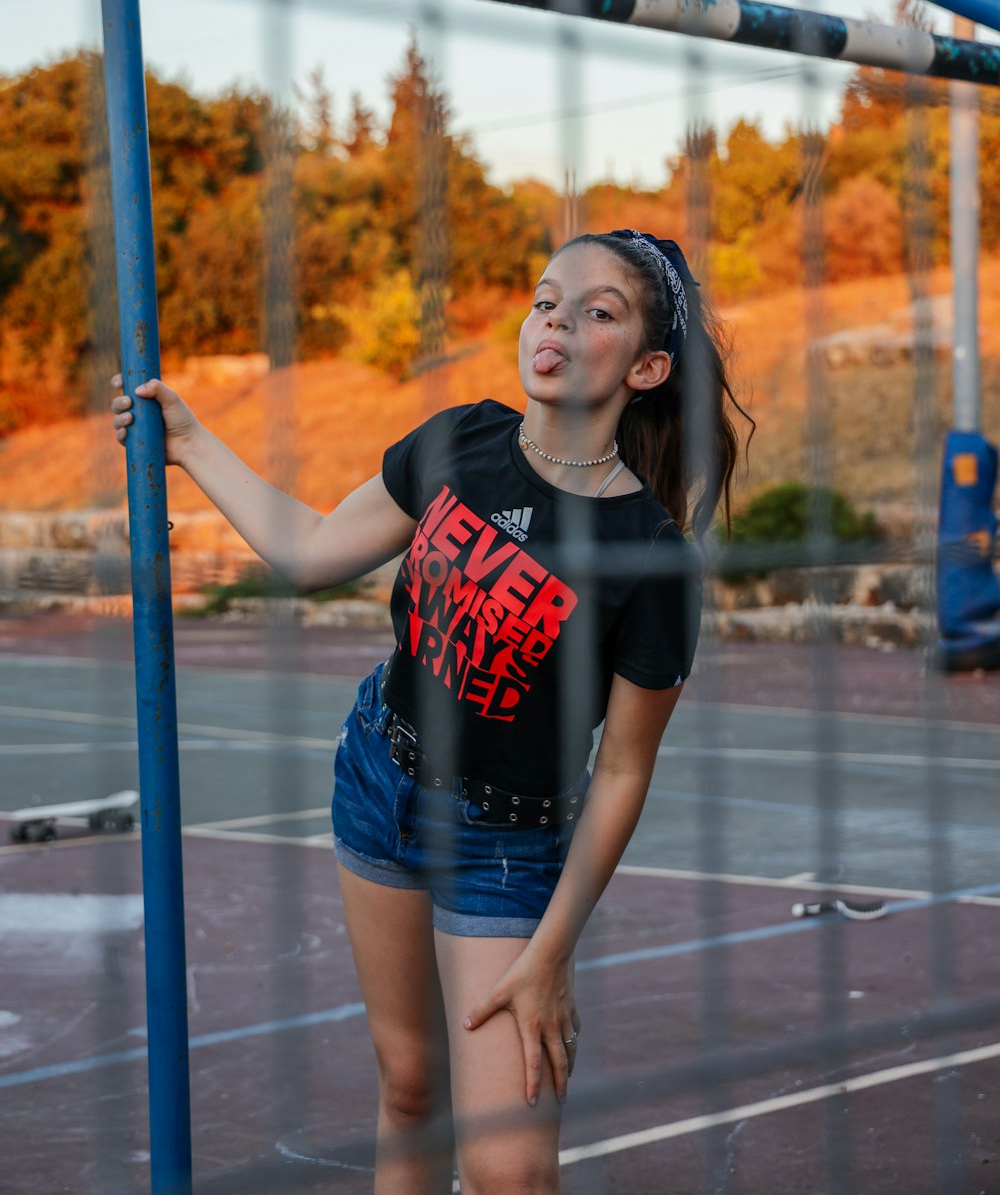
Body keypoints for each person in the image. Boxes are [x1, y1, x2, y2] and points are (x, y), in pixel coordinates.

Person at [110, 229, 749, 1195]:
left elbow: (621, 770)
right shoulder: (462, 441)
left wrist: (550, 952)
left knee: (508, 1169)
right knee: (410, 1089)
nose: (559, 324)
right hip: (380, 777)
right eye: (546, 301)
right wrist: (192, 441)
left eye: (598, 312)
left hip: (506, 843)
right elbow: (315, 548)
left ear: (649, 366)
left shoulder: (650, 556)